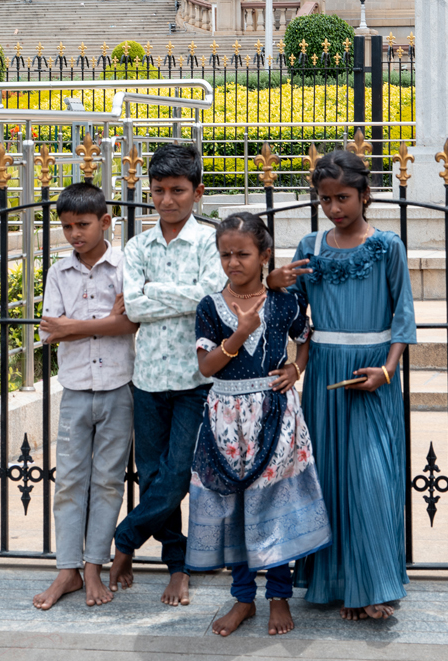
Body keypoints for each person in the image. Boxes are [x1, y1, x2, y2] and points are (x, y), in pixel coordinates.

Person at [268, 148, 416, 622]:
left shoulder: (388, 246)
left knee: (372, 478)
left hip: (374, 375)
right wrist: (275, 283)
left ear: (366, 195)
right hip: (326, 375)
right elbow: (292, 314)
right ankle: (339, 584)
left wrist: (387, 371)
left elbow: (403, 318)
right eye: (326, 199)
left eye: (344, 197)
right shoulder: (310, 247)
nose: (335, 208)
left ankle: (373, 586)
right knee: (328, 479)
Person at [187, 212, 331, 638]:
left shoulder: (285, 302)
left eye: (243, 254)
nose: (234, 262)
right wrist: (237, 335)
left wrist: (296, 368)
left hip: (275, 415)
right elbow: (206, 367)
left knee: (274, 504)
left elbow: (305, 337)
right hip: (225, 421)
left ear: (265, 255)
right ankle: (243, 598)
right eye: (225, 254)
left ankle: (280, 597)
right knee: (233, 508)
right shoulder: (210, 307)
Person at [110, 142, 224, 606]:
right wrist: (175, 296)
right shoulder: (137, 247)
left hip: (195, 380)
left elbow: (211, 299)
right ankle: (177, 565)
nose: (167, 200)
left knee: (178, 476)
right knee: (155, 475)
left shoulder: (211, 243)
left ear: (197, 192)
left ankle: (123, 541)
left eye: (178, 190)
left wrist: (157, 293)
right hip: (148, 380)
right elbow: (134, 305)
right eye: (158, 191)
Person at [33, 181, 138, 609]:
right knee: (70, 481)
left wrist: (71, 326)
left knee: (109, 481)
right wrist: (101, 323)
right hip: (75, 388)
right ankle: (66, 571)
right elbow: (48, 330)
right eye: (67, 226)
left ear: (105, 222)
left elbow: (130, 323)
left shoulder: (126, 267)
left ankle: (94, 566)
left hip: (119, 386)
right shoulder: (59, 272)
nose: (75, 233)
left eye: (83, 224)